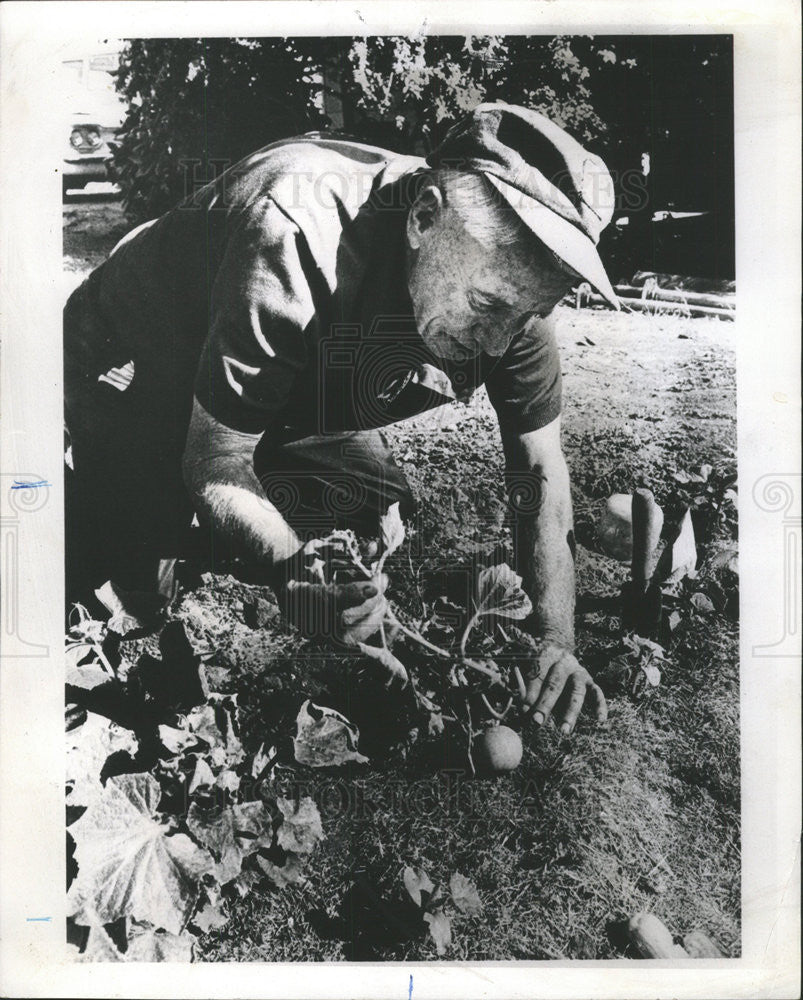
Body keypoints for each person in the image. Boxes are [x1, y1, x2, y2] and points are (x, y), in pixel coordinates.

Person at [64, 103, 619, 734]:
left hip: (294, 388)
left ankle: (234, 515)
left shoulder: (512, 287)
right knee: (135, 606)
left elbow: (540, 463)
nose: (499, 343)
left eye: (523, 316)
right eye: (486, 306)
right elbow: (215, 457)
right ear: (424, 218)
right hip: (138, 357)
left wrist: (555, 639)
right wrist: (290, 571)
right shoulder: (296, 232)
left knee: (368, 527)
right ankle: (132, 528)